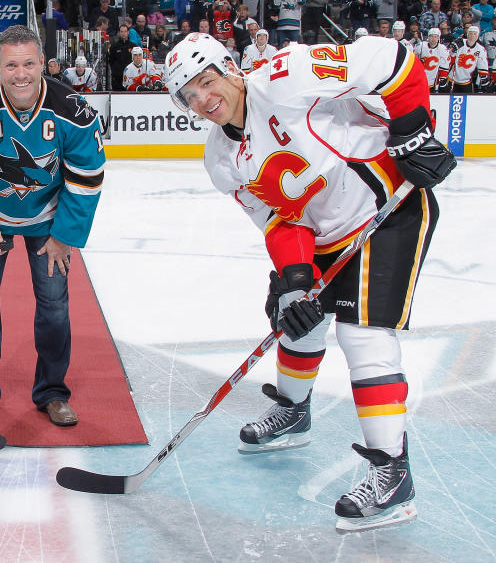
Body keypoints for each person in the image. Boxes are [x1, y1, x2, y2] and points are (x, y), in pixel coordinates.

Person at [162, 32, 455, 532]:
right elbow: (278, 216)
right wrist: (297, 279)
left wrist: (410, 128)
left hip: (388, 206)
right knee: (295, 319)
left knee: (362, 335)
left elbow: (392, 59)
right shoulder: (219, 158)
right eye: (189, 96)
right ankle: (294, 413)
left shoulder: (285, 75)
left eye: (207, 82)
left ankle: (393, 475)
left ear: (230, 69)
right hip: (324, 232)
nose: (203, 100)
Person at [0, 25, 105, 428]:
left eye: (29, 63)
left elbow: (87, 176)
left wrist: (65, 236)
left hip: (49, 220)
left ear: (44, 63)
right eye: (11, 64)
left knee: (54, 305)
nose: (21, 74)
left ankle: (52, 392)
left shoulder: (72, 108)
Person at [416, 27, 450, 92]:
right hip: (420, 80)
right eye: (431, 36)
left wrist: (442, 80)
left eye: (435, 36)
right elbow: (413, 60)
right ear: (428, 37)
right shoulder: (420, 46)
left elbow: (444, 67)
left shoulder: (443, 49)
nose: (433, 39)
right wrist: (418, 62)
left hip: (433, 81)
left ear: (438, 38)